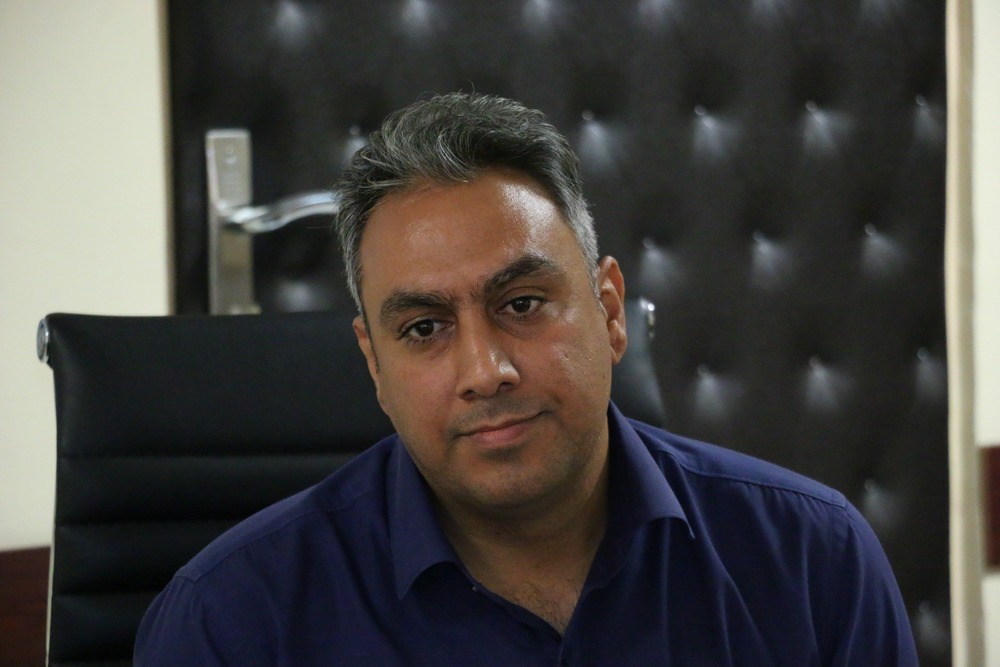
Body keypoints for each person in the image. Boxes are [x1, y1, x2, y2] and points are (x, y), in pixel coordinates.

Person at [134, 92, 917, 665]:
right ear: (374, 362)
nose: (486, 370)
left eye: (522, 303)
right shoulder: (230, 621)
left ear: (610, 310)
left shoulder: (812, 561)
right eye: (424, 328)